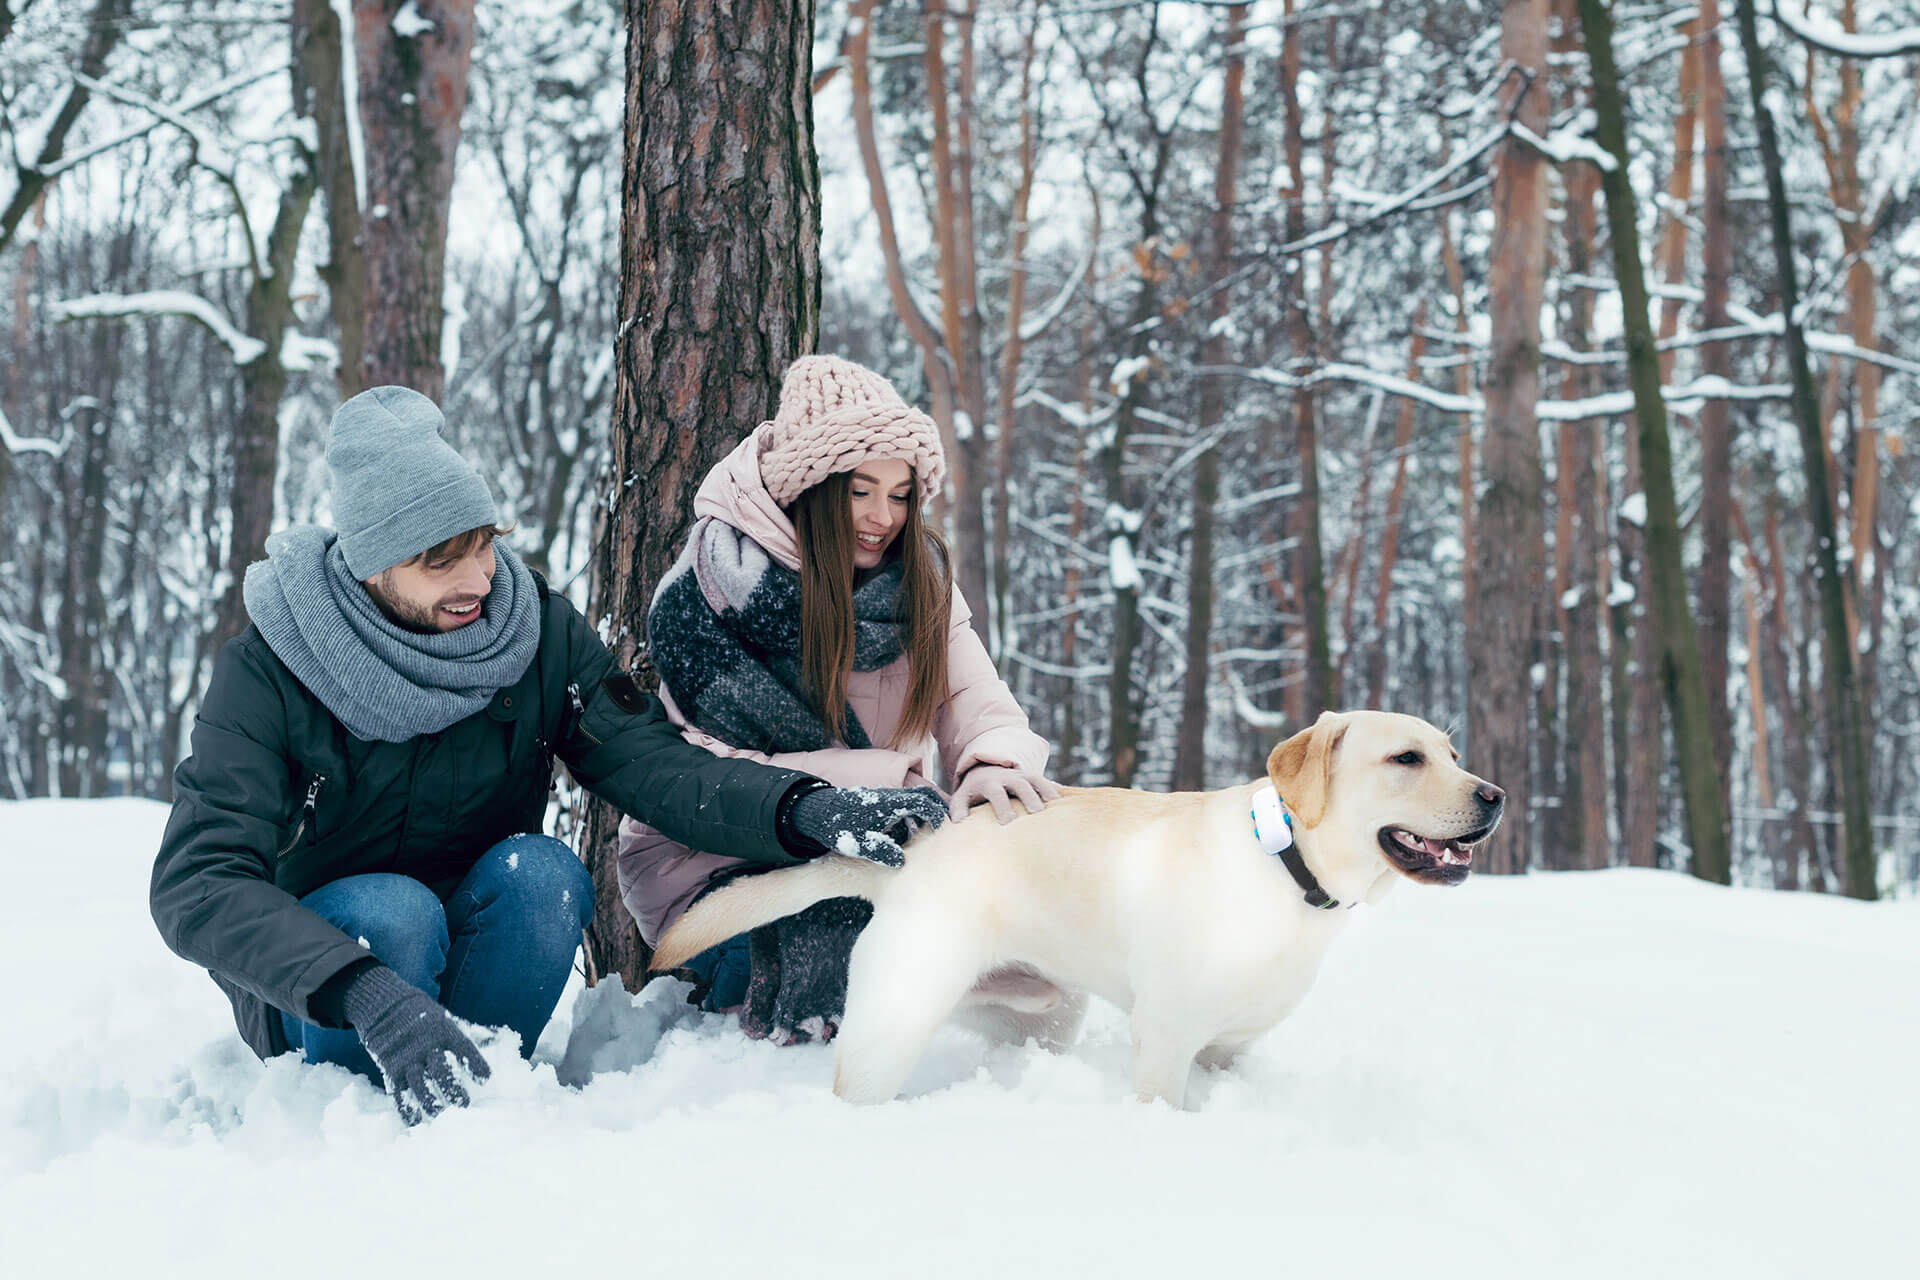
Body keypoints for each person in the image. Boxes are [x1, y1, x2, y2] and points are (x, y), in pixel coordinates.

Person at [150, 385, 948, 1124]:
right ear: (371, 564)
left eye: (483, 546)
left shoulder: (529, 633)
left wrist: (804, 806)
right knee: (392, 909)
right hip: (328, 987)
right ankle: (358, 1123)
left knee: (545, 874)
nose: (477, 579)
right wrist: (363, 991)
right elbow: (197, 882)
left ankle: (486, 1102)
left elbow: (653, 764)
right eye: (441, 560)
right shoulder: (273, 669)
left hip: (475, 937)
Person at [619, 355, 1058, 1042]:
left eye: (901, 494)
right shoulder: (709, 592)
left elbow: (980, 701)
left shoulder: (920, 582)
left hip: (873, 847)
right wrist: (887, 783)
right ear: (814, 486)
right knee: (868, 944)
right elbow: (706, 766)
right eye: (860, 492)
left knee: (1036, 931)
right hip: (715, 871)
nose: (883, 517)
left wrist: (992, 765)